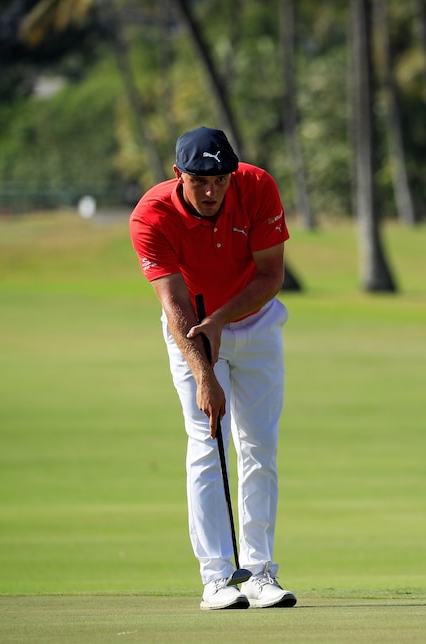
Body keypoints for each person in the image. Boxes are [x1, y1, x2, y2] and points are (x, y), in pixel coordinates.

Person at [129, 126, 296, 610]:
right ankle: (217, 578)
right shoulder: (152, 215)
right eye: (200, 180)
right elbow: (175, 303)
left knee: (259, 447)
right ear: (178, 175)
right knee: (207, 442)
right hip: (193, 331)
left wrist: (222, 318)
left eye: (220, 180)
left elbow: (272, 274)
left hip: (257, 324)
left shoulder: (257, 186)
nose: (211, 191)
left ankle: (260, 572)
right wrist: (205, 374)